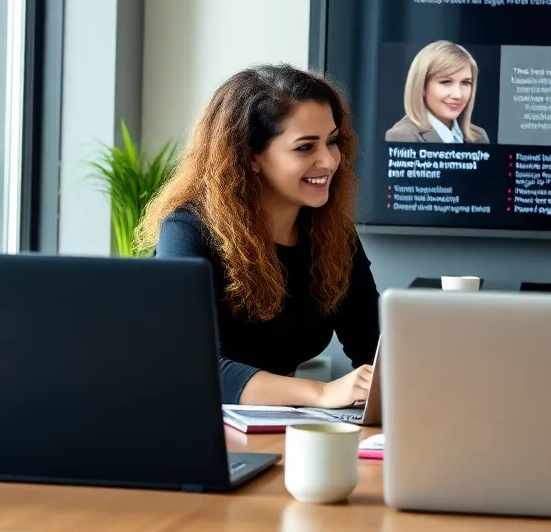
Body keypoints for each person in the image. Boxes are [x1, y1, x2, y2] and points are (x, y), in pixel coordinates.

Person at [134, 63, 380, 408]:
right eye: (305, 147)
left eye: (332, 141)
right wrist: (322, 392)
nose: (329, 161)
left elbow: (375, 347)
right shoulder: (188, 229)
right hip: (188, 425)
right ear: (251, 157)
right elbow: (192, 365)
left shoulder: (332, 235)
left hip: (274, 429)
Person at [386, 40, 491, 143]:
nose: (458, 95)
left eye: (465, 83)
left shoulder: (479, 136)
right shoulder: (402, 136)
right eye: (446, 82)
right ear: (422, 86)